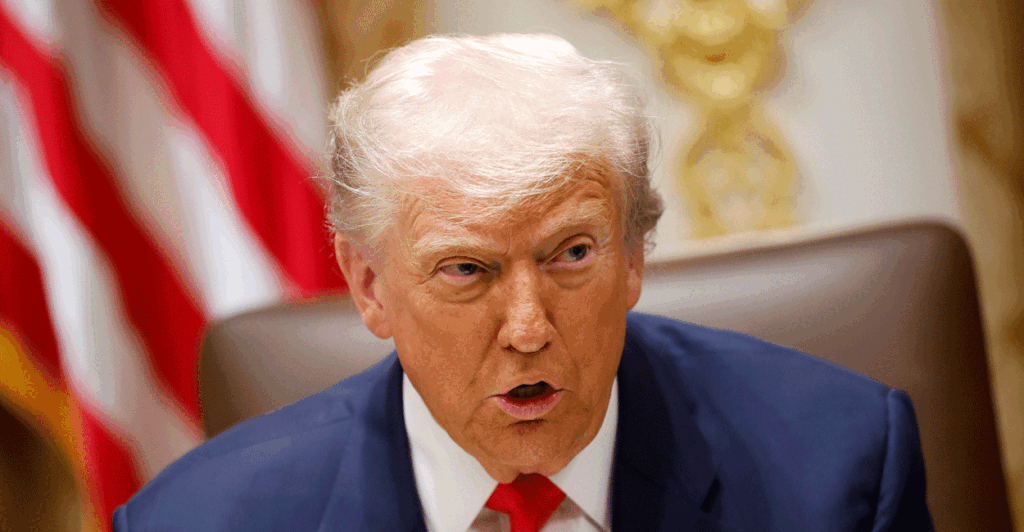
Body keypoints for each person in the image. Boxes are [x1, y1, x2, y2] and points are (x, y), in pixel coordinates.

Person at [112, 33, 932, 531]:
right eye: (467, 270)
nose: (529, 328)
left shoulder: (842, 473)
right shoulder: (194, 522)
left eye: (571, 255)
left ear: (633, 256)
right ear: (369, 285)